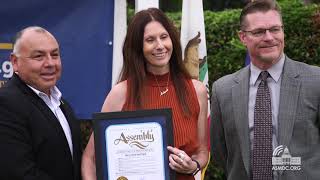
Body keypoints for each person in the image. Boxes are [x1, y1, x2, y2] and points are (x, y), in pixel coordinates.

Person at [82, 8, 209, 180]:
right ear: (138, 47)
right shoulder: (121, 93)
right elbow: (90, 158)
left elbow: (202, 152)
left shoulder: (197, 90)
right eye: (150, 40)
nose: (160, 46)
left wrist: (193, 166)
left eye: (164, 37)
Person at [211, 0, 320, 179]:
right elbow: (221, 152)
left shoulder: (316, 81)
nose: (269, 37)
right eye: (259, 31)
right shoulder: (223, 90)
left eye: (275, 29)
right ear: (243, 37)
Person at [0, 26, 82, 180]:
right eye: (39, 56)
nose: (50, 63)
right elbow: (17, 173)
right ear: (15, 62)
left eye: (55, 55)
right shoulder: (5, 104)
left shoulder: (61, 103)